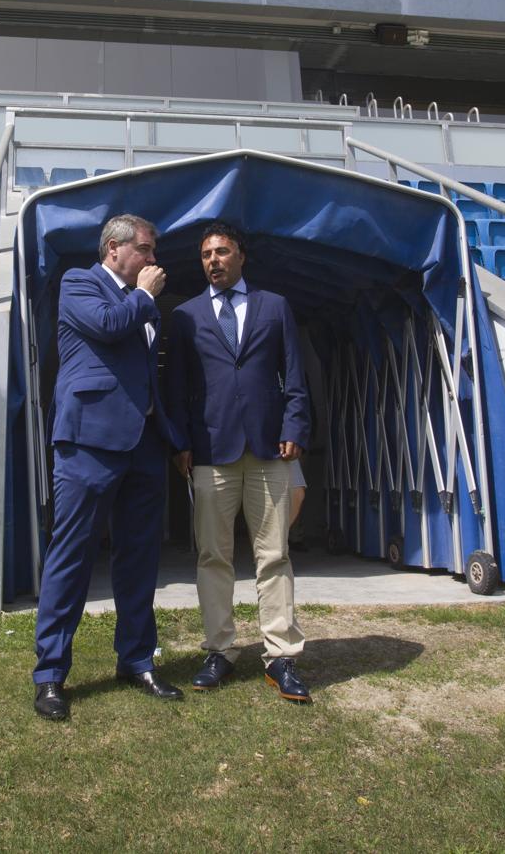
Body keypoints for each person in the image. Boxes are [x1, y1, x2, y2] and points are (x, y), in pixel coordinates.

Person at [32, 214, 186, 721]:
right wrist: (142, 296)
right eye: (145, 249)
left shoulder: (144, 301)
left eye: (153, 250)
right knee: (72, 555)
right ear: (114, 249)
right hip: (88, 442)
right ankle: (51, 673)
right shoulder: (80, 283)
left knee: (139, 556)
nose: (152, 260)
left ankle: (137, 660)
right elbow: (107, 325)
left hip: (142, 443)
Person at [166, 221, 313, 704]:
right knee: (213, 557)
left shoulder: (275, 306)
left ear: (241, 257)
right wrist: (182, 442)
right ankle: (220, 651)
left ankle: (281, 656)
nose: (213, 260)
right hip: (210, 452)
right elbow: (180, 388)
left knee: (274, 555)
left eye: (222, 252)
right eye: (206, 254)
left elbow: (293, 372)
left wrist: (294, 427)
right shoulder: (185, 315)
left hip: (270, 449)